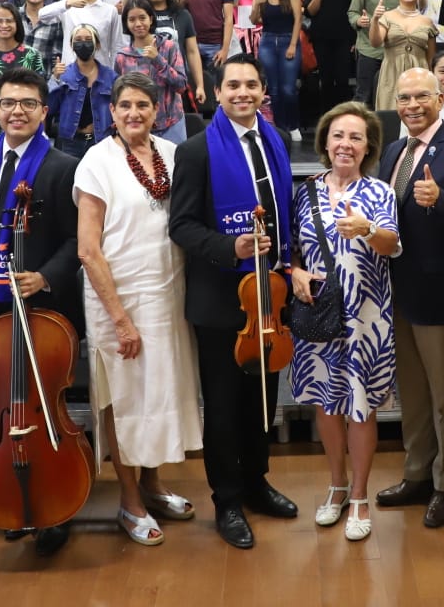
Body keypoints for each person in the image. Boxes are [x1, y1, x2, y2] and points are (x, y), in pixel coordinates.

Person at [168, 54, 300, 549]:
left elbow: (284, 215)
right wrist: (231, 248)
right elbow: (181, 226)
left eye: (251, 85)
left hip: (269, 294)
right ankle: (226, 499)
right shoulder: (196, 151)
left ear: (264, 90)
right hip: (222, 299)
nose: (243, 93)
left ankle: (256, 482)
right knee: (223, 406)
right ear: (218, 93)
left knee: (261, 397)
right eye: (233, 85)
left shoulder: (277, 139)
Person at [75, 72, 202, 548]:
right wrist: (120, 320)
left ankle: (152, 484)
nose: (134, 113)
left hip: (168, 295)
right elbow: (88, 250)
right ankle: (129, 501)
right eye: (125, 105)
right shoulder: (96, 161)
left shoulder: (172, 154)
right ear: (111, 112)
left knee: (159, 394)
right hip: (119, 299)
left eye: (143, 106)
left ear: (157, 110)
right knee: (124, 399)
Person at [0, 66, 82, 556]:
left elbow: (78, 239)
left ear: (44, 112)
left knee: (42, 403)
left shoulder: (63, 165)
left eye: (28, 104)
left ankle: (54, 501)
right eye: (9, 103)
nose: (18, 111)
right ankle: (11, 494)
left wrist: (45, 275)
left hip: (42, 308)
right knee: (5, 401)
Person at [374, 68, 444, 529]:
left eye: (421, 96)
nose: (412, 105)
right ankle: (416, 473)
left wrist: (440, 199)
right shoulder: (393, 151)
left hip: (440, 294)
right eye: (404, 98)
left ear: (440, 99)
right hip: (398, 292)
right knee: (413, 394)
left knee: (443, 399)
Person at [289, 102, 400, 543]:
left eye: (356, 137)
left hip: (366, 320)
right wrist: (295, 272)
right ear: (325, 141)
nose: (345, 144)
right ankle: (336, 485)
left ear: (368, 146)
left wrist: (367, 229)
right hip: (318, 312)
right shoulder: (305, 191)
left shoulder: (379, 192)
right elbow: (292, 248)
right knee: (326, 404)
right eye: (338, 135)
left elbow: (391, 245)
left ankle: (359, 495)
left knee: (361, 406)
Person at [0, 1, 46, 150]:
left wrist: (42, 130)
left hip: (25, 126)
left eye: (9, 21)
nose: (4, 25)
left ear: (17, 23)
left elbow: (40, 98)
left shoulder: (32, 55)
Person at [114, 0, 188, 144]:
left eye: (142, 18)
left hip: (171, 124)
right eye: (132, 20)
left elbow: (181, 85)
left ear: (151, 19)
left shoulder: (169, 47)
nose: (138, 24)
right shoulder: (122, 57)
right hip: (138, 125)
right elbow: (118, 96)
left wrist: (158, 60)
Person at [250, 0, 304, 136]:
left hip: (288, 40)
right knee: (273, 89)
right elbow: (254, 20)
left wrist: (293, 45)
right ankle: (280, 128)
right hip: (267, 42)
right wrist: (257, 4)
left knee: (288, 89)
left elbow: (298, 20)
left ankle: (293, 125)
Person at [368, 0, 434, 111]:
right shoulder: (387, 16)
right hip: (392, 73)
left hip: (419, 73)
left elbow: (431, 58)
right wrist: (375, 20)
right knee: (390, 115)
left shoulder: (427, 21)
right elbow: (375, 42)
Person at [47, 24, 114, 158]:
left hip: (100, 141)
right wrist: (55, 79)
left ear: (97, 45)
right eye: (78, 40)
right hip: (69, 142)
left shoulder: (111, 77)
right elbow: (49, 108)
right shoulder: (64, 75)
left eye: (88, 39)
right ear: (71, 45)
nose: (83, 44)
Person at [347, 0, 402, 106]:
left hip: (394, 52)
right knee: (364, 97)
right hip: (368, 50)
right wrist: (359, 21)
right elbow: (353, 12)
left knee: (393, 97)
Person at [303, 0, 354, 114]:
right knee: (326, 80)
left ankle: (344, 115)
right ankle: (327, 117)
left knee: (343, 80)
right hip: (322, 38)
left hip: (344, 38)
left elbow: (354, 9)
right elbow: (310, 11)